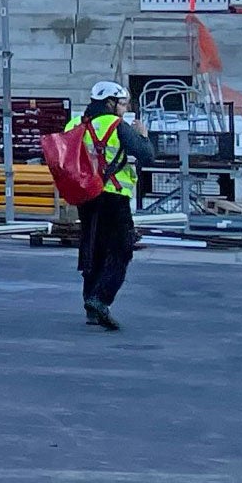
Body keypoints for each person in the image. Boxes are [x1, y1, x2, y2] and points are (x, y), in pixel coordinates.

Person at [74, 81, 155, 331]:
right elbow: (146, 155)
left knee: (92, 248)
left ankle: (90, 304)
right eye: (122, 103)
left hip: (86, 195)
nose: (125, 107)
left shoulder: (75, 124)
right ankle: (101, 299)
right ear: (109, 102)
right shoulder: (116, 125)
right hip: (113, 195)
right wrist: (143, 135)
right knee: (121, 250)